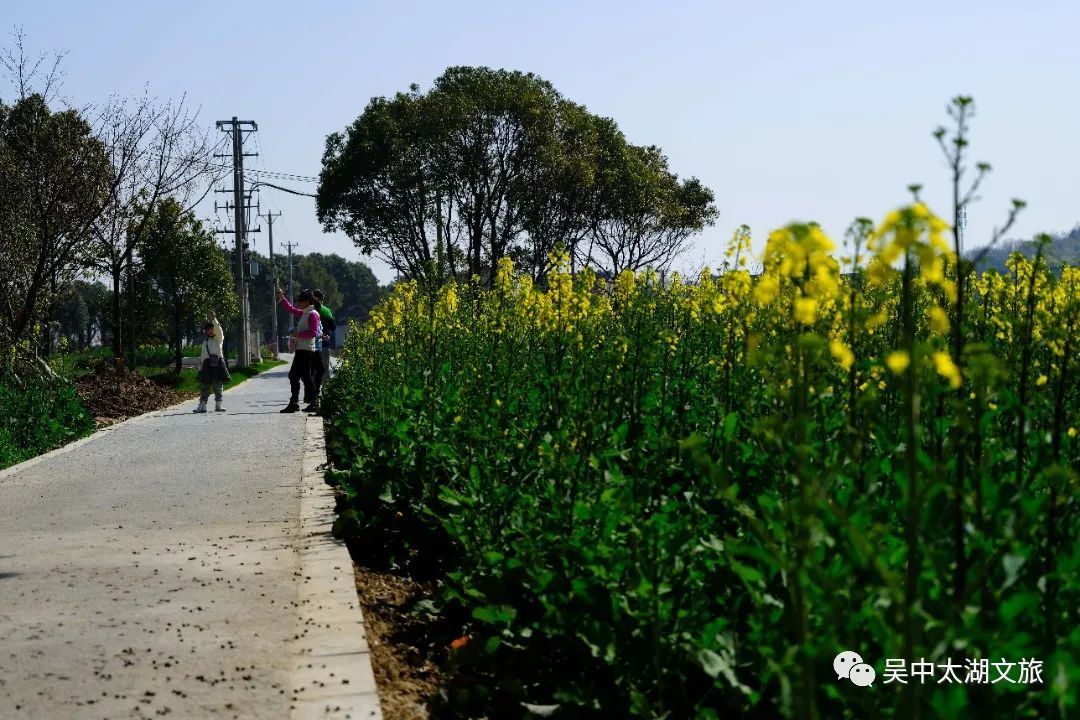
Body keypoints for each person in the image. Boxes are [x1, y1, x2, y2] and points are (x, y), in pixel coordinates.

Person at [277, 285, 321, 413]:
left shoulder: (312, 314)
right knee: (301, 376)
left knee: (299, 375)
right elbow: (290, 309)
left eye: (301, 300)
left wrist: (297, 334)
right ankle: (301, 402)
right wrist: (282, 297)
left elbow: (313, 333)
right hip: (302, 349)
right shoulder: (305, 312)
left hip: (306, 350)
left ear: (308, 301)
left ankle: (303, 402)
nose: (299, 303)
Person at [194, 314, 230, 413]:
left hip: (218, 364)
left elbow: (220, 330)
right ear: (206, 331)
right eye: (208, 329)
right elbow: (203, 356)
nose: (210, 330)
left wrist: (214, 319)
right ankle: (202, 406)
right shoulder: (205, 342)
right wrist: (200, 368)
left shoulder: (219, 339)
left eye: (212, 328)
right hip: (207, 365)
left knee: (218, 386)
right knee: (205, 386)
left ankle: (219, 405)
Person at [313, 288, 336, 383]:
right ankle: (327, 393)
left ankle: (313, 393)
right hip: (324, 343)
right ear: (321, 299)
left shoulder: (307, 310)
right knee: (325, 369)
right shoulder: (326, 310)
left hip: (311, 345)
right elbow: (333, 327)